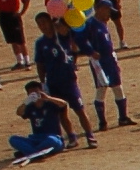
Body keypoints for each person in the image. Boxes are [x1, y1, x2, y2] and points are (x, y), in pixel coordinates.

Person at [32, 14, 96, 149]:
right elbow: (40, 64)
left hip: (69, 81)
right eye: (39, 24)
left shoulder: (62, 37)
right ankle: (72, 137)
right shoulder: (40, 43)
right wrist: (43, 83)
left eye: (44, 22)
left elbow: (69, 30)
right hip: (53, 82)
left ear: (51, 22)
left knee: (80, 109)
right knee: (61, 112)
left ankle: (90, 136)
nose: (42, 26)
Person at [10, 81, 73, 164]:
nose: (35, 94)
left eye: (36, 91)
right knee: (13, 139)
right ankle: (37, 153)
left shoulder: (50, 104)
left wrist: (48, 98)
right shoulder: (30, 107)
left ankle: (31, 152)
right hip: (36, 138)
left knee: (52, 140)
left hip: (52, 137)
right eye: (31, 93)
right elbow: (19, 112)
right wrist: (26, 102)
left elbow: (63, 104)